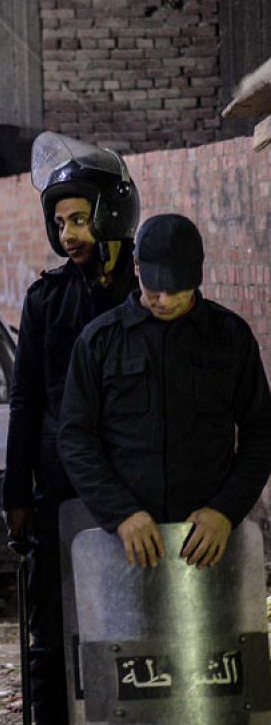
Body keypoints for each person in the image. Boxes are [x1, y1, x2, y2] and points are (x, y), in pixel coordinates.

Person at [2, 132, 140, 725]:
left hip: (139, 504)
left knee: (133, 639)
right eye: (60, 223)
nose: (68, 234)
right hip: (60, 502)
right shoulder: (47, 300)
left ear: (112, 214)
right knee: (51, 645)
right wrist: (17, 495)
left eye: (78, 219)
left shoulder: (152, 292)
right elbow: (27, 400)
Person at [59, 214, 271, 569]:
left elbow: (261, 431)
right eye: (155, 289)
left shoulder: (230, 338)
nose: (165, 300)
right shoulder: (100, 342)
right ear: (137, 266)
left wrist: (225, 510)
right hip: (123, 544)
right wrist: (120, 513)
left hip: (210, 545)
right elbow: (75, 438)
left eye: (178, 290)